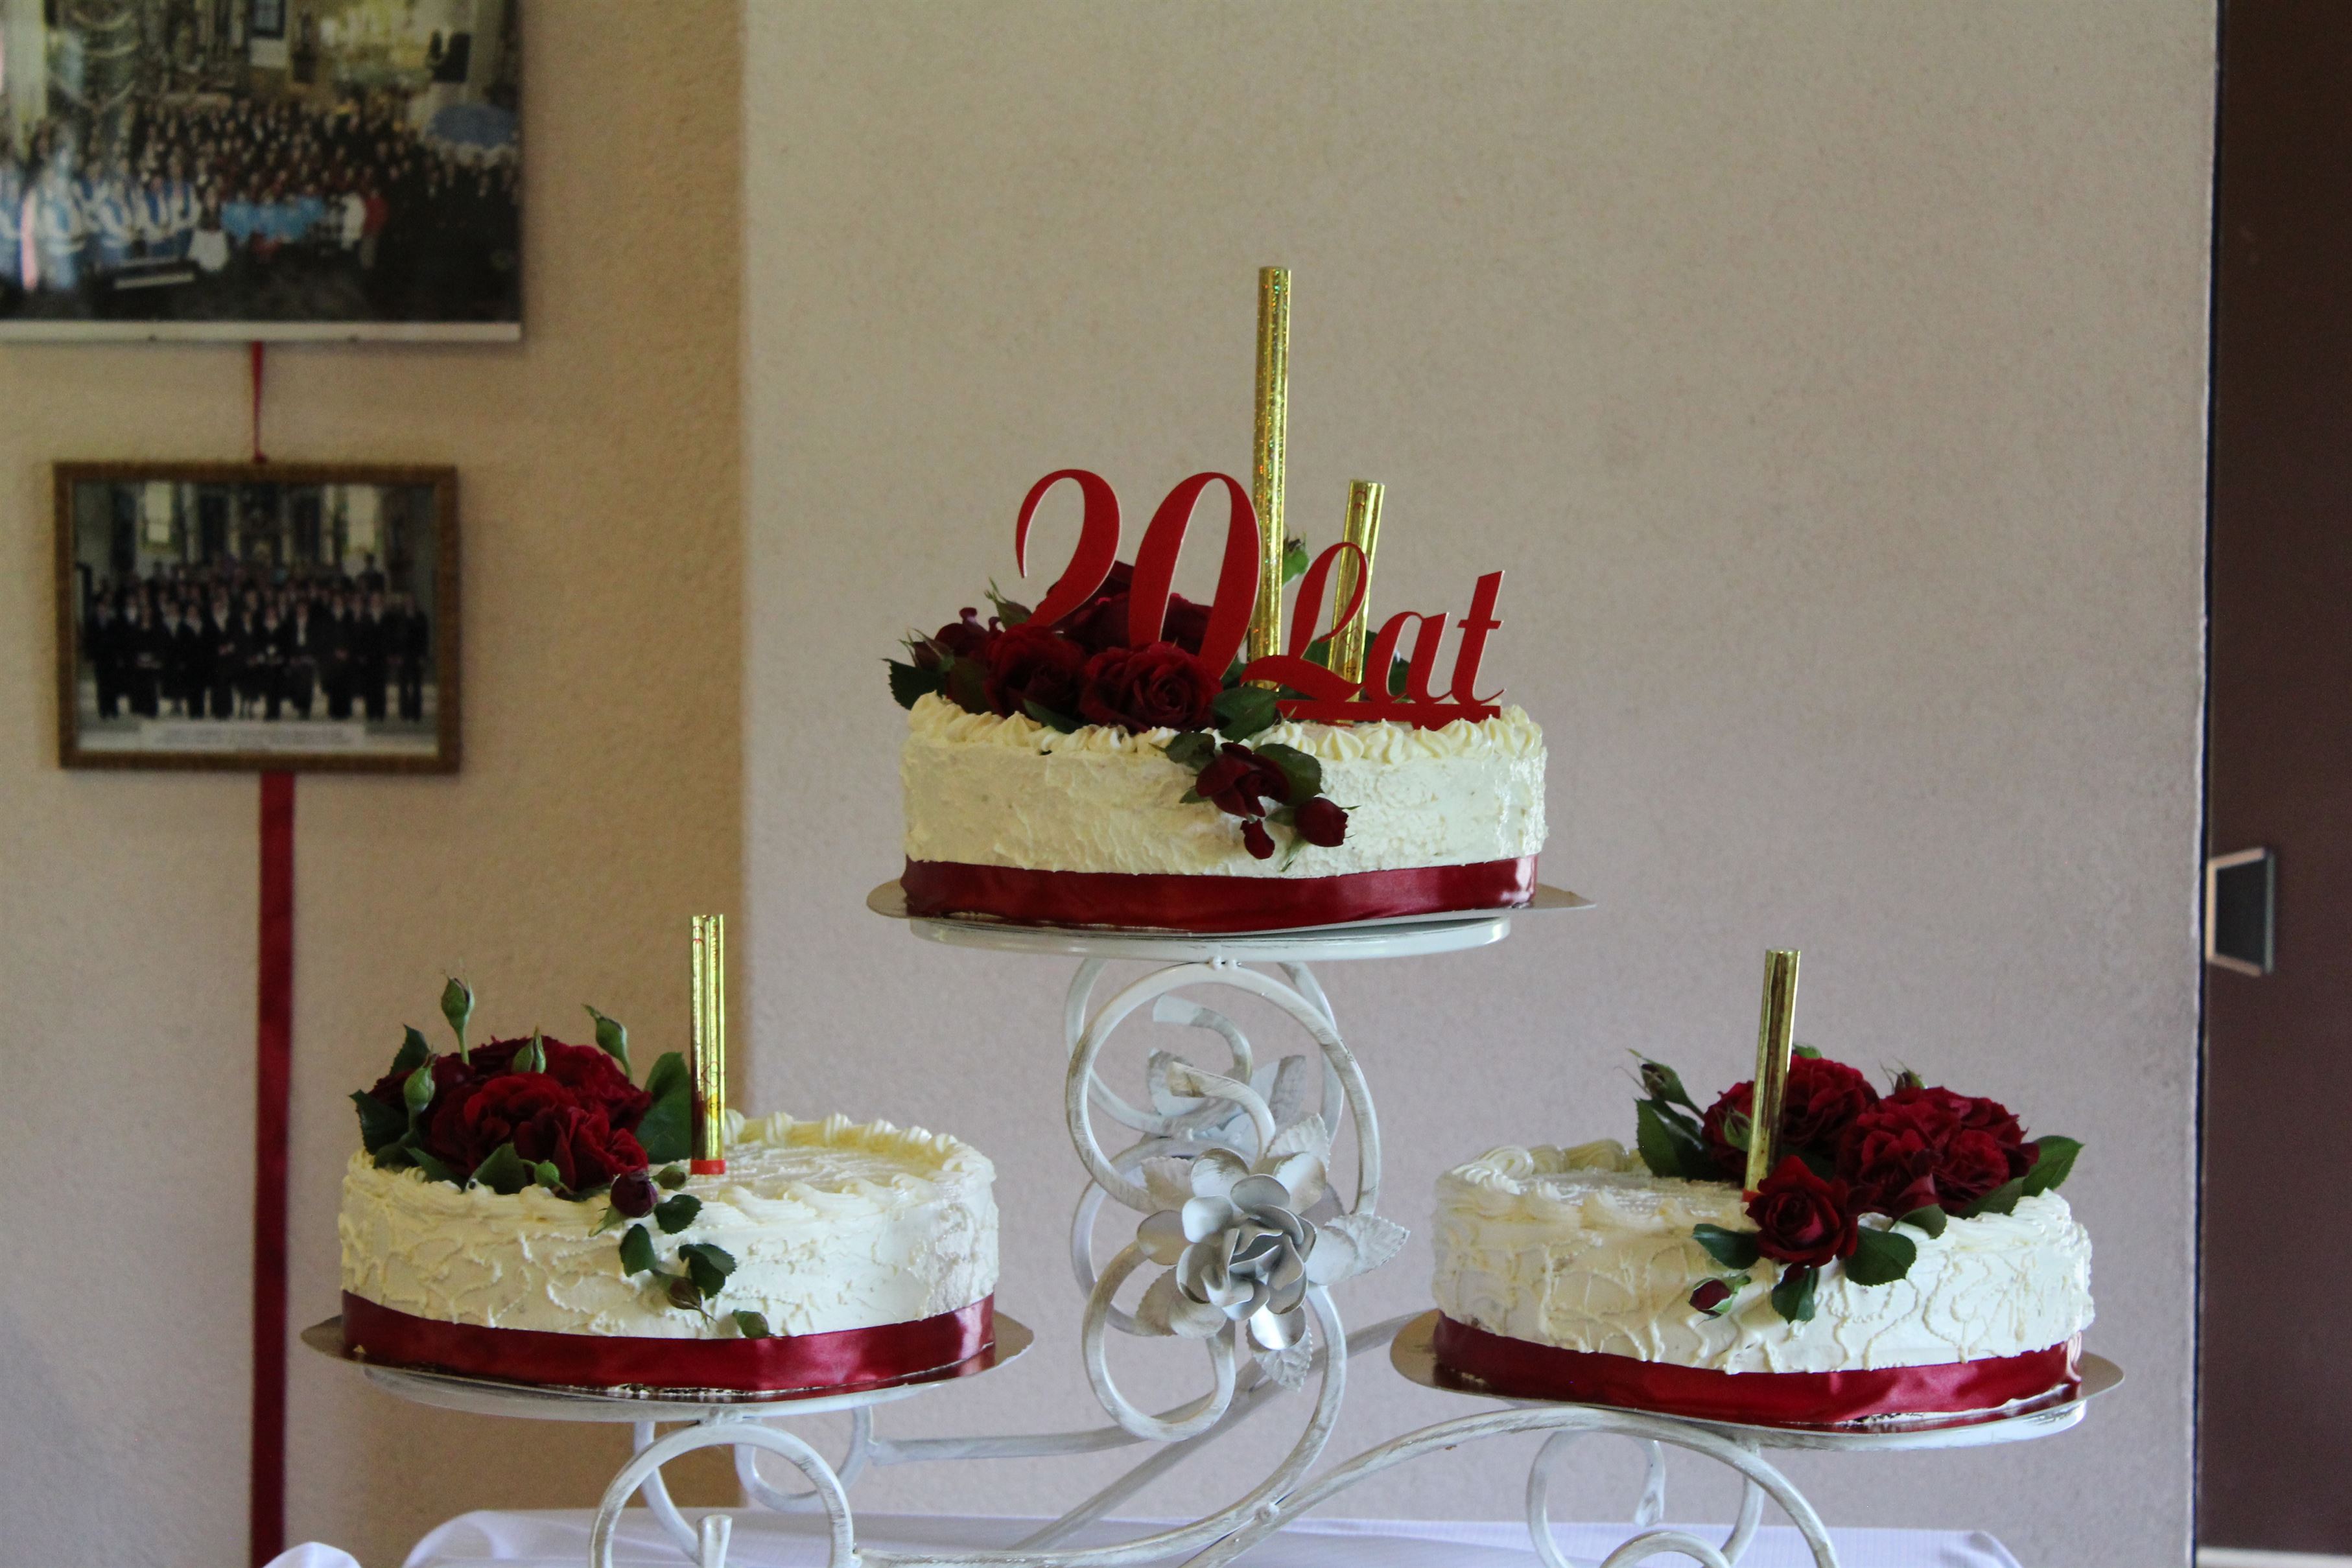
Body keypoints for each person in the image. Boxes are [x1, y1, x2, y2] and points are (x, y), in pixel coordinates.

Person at [392, 591, 429, 721]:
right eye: (407, 600)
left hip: (416, 655)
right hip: (403, 655)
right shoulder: (399, 617)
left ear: (414, 602)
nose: (409, 603)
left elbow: (424, 638)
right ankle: (404, 713)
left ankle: (416, 713)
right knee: (403, 685)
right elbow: (396, 638)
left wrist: (423, 656)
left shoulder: (421, 617)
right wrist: (396, 655)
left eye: (411, 600)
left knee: (416, 685)